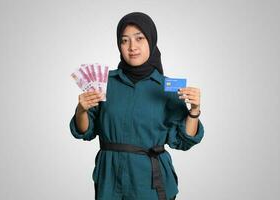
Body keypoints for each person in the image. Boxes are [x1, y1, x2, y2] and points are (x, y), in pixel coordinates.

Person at [69, 12, 204, 200]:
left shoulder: (168, 89)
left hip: (150, 184)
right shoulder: (104, 83)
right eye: (125, 41)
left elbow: (183, 141)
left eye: (139, 38)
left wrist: (194, 111)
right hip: (110, 181)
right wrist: (81, 110)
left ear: (151, 40)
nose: (132, 47)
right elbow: (86, 131)